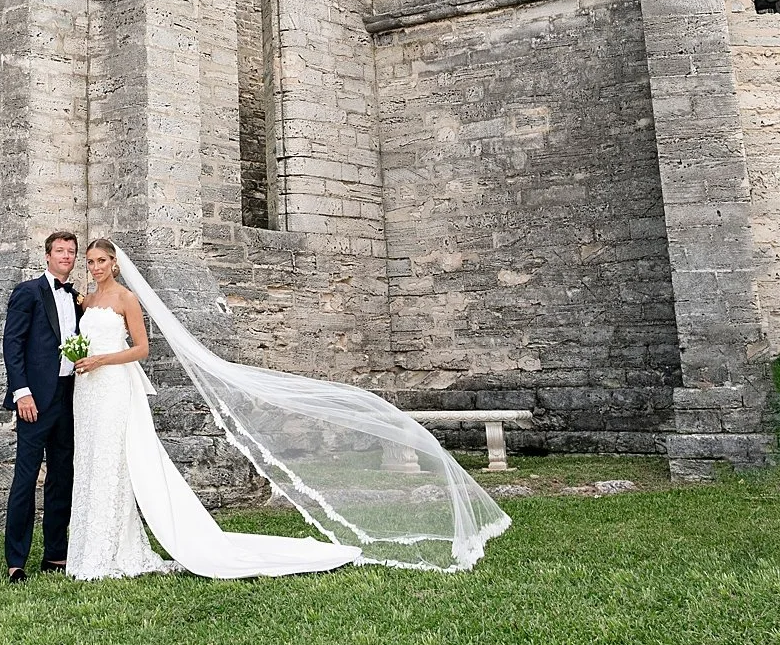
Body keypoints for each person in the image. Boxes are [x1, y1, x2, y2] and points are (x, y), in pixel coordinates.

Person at [64, 238, 511, 579]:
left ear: (116, 263)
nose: (96, 267)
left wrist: (102, 358)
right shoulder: (86, 298)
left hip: (116, 385)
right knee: (93, 462)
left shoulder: (125, 298)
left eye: (102, 261)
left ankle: (113, 553)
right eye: (91, 262)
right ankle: (93, 549)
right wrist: (82, 356)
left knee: (117, 466)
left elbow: (141, 349)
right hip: (89, 390)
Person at [0, 230, 80, 582]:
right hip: (34, 400)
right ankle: (16, 560)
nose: (66, 256)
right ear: (47, 256)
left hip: (69, 397)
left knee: (62, 479)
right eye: (60, 251)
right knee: (25, 478)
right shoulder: (28, 292)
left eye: (71, 251)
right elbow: (12, 344)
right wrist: (22, 392)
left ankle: (55, 556)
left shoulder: (77, 297)